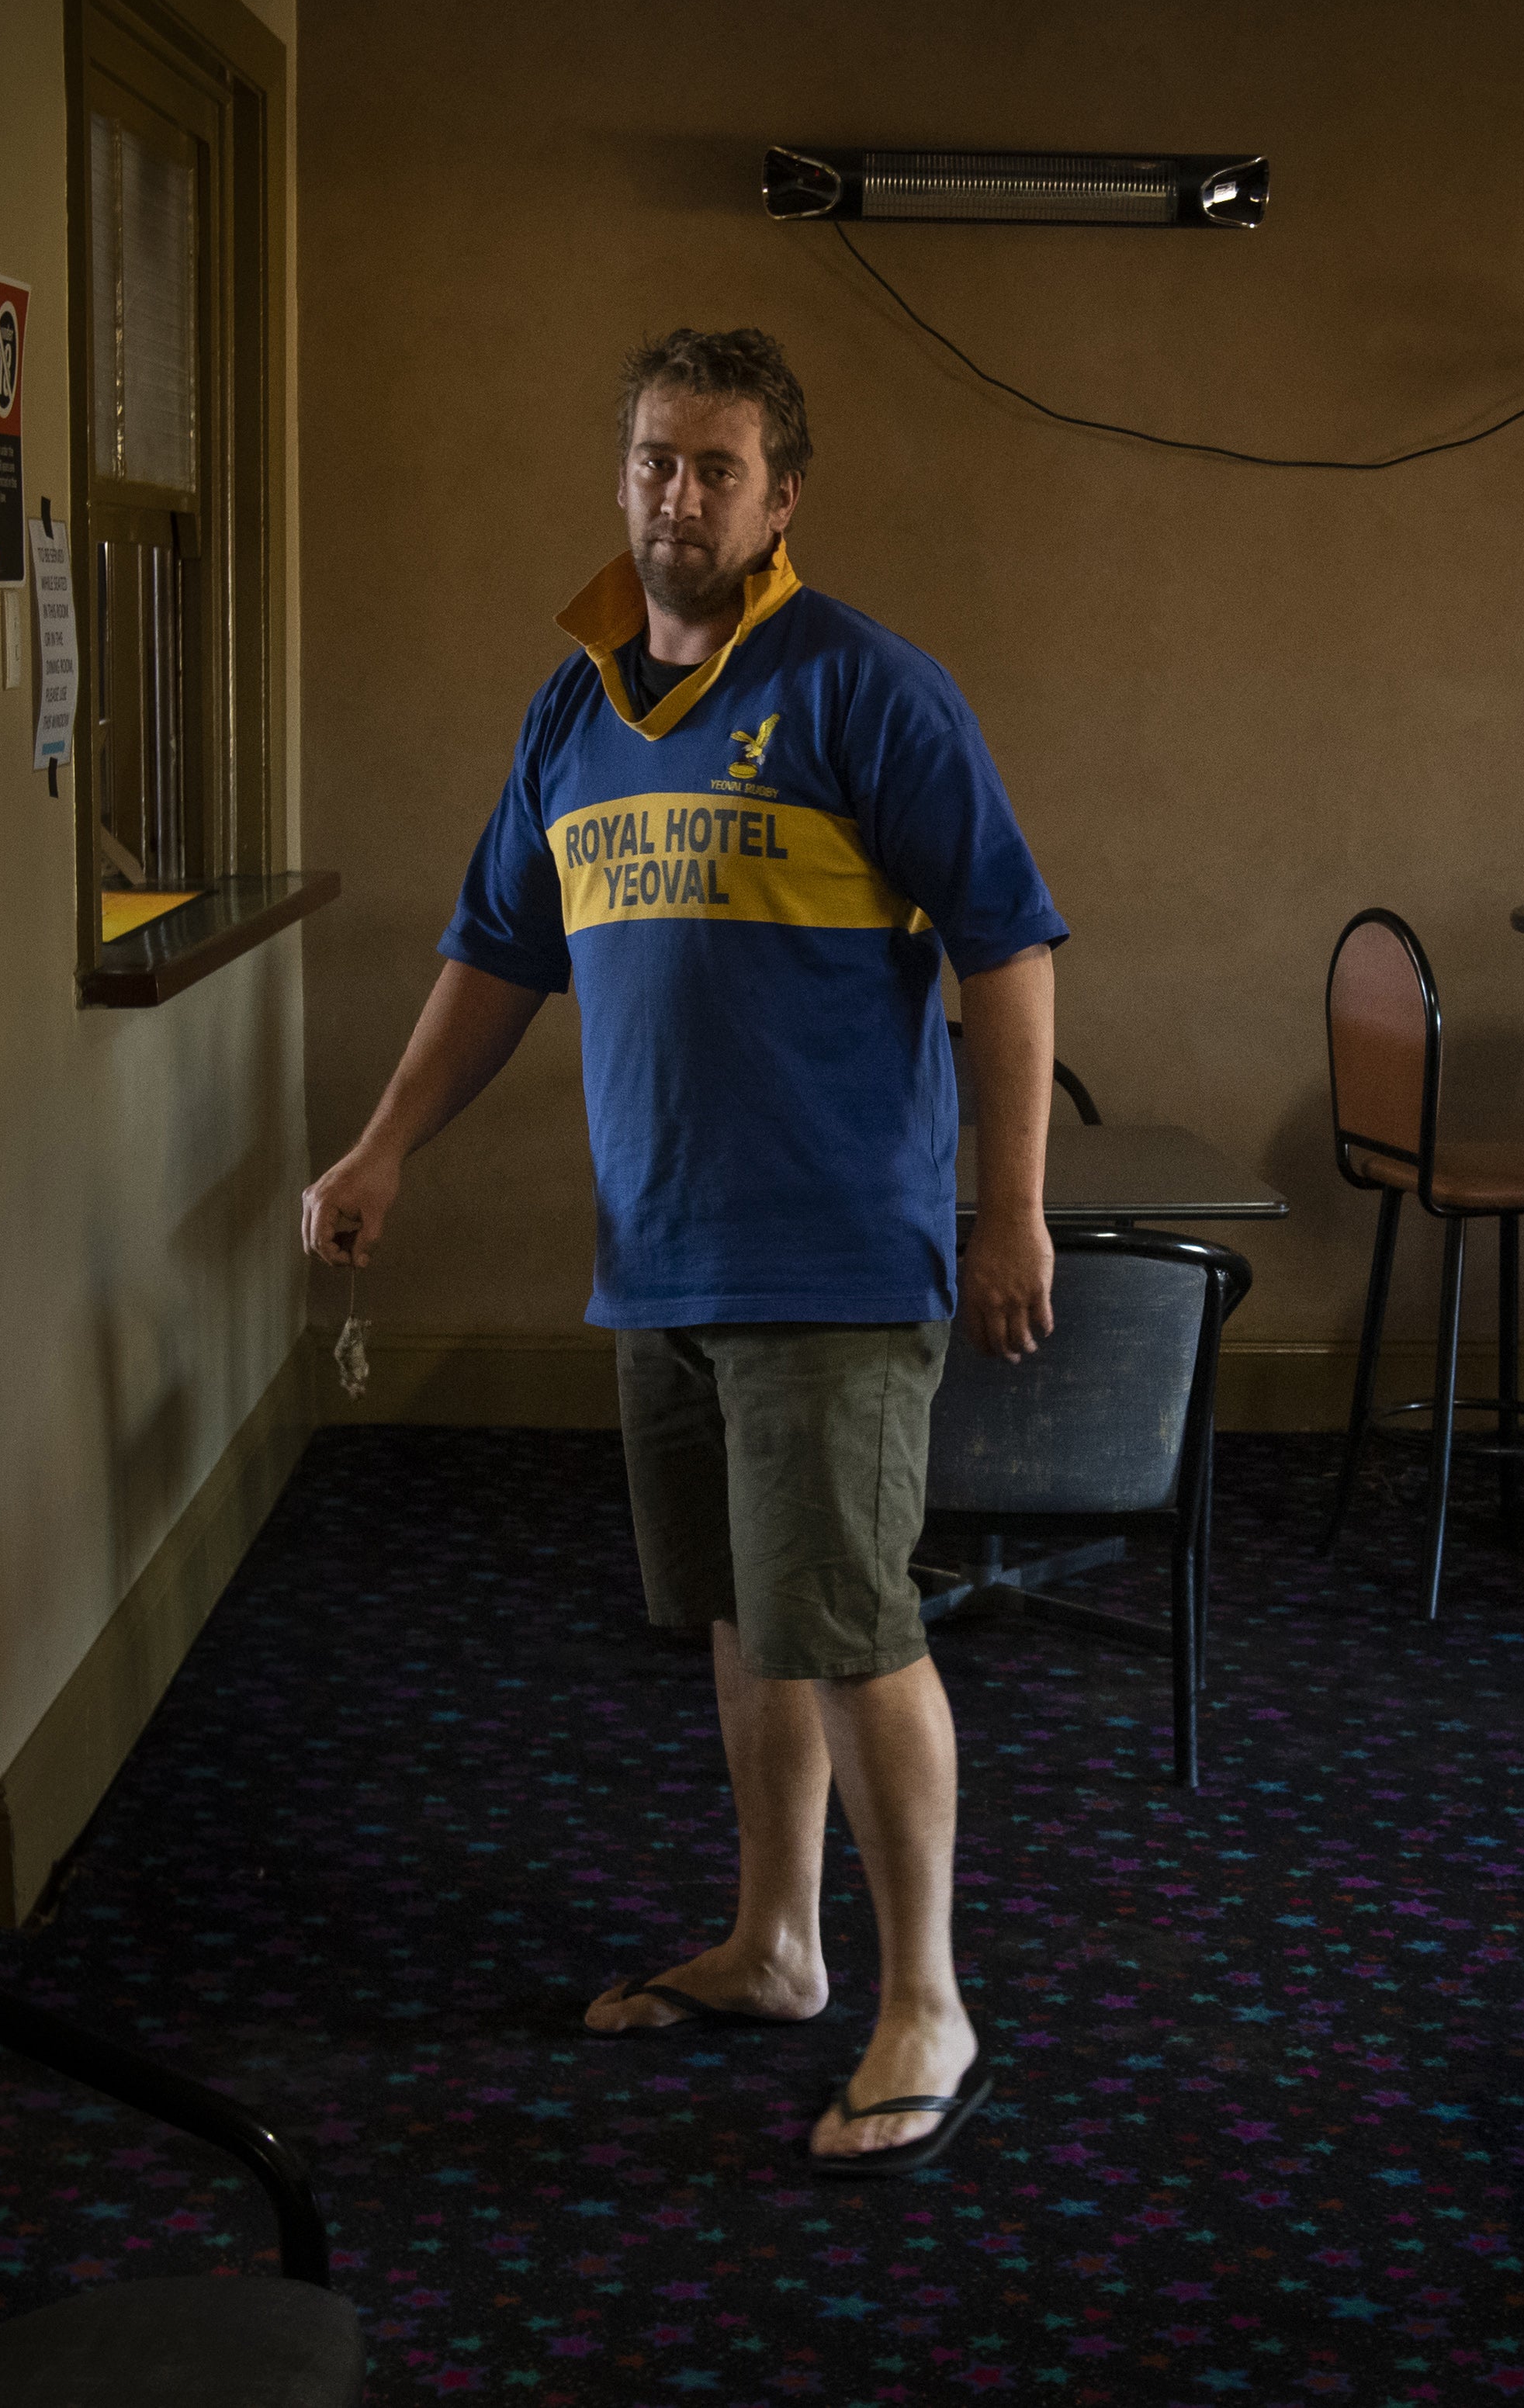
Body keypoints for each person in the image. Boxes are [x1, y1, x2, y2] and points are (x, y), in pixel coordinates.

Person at [302, 327, 1064, 2174]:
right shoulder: (571, 712)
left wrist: (1009, 1205)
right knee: (746, 1617)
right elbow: (496, 955)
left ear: (780, 498)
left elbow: (1009, 949)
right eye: (654, 459)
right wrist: (384, 1141)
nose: (678, 497)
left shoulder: (865, 689)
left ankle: (928, 1997)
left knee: (855, 1620)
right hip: (661, 1253)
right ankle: (779, 1940)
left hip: (831, 1254)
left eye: (717, 468)